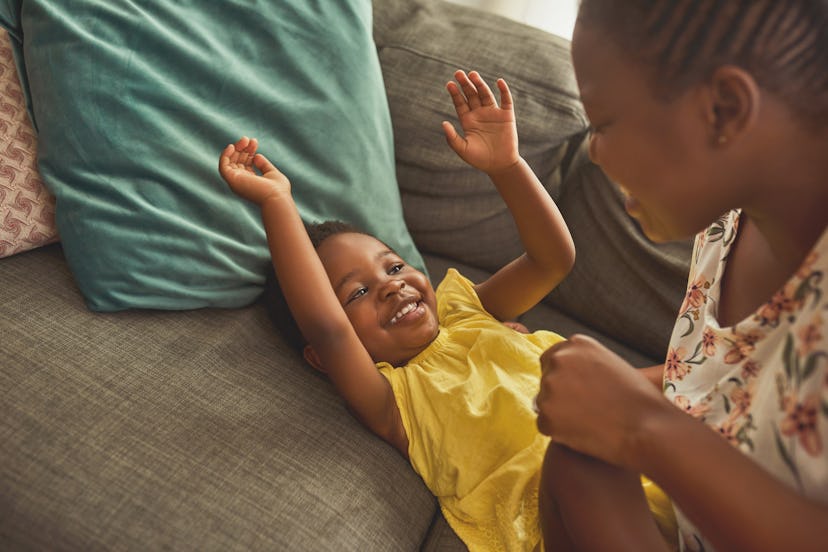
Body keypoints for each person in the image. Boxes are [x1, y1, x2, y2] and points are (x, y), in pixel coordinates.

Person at [218, 70, 671, 551]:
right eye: (357, 294)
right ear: (319, 359)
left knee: (704, 369)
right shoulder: (394, 399)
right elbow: (327, 328)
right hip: (567, 511)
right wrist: (277, 203)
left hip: (651, 463)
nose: (391, 289)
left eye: (393, 267)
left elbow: (552, 260)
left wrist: (507, 165)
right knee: (585, 448)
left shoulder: (467, 310)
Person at [534, 1, 828, 551]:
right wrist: (606, 395)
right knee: (578, 459)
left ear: (723, 109)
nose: (592, 153)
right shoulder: (726, 224)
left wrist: (642, 426)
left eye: (601, 124)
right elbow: (726, 385)